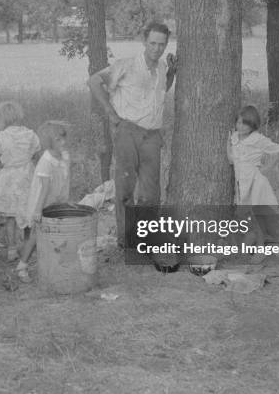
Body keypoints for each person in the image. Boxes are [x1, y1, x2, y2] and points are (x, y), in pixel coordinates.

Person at [88, 22, 177, 248]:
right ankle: (125, 240)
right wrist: (111, 113)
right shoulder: (125, 65)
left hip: (152, 136)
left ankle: (145, 240)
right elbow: (94, 81)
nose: (157, 49)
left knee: (151, 192)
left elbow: (161, 91)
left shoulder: (163, 68)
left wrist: (173, 73)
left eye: (162, 44)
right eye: (153, 43)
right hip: (128, 132)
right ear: (144, 41)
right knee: (125, 188)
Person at [15, 121, 71, 283]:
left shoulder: (64, 155)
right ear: (49, 143)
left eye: (63, 138)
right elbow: (44, 188)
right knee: (35, 235)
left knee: (56, 231)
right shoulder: (46, 161)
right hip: (42, 202)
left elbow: (65, 179)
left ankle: (54, 264)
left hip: (57, 200)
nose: (63, 142)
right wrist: (38, 211)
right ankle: (22, 266)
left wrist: (66, 201)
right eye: (58, 140)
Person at [227, 105, 279, 246]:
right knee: (243, 214)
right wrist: (228, 143)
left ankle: (261, 248)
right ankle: (251, 236)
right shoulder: (234, 137)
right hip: (241, 184)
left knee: (257, 216)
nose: (241, 126)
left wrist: (267, 169)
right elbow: (230, 160)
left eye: (245, 123)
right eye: (239, 122)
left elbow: (278, 150)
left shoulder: (257, 139)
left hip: (255, 182)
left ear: (253, 125)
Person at [0, 101, 40, 260]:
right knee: (27, 211)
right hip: (26, 175)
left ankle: (12, 248)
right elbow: (35, 155)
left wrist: (5, 163)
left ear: (3, 118)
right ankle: (27, 245)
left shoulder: (2, 137)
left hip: (9, 177)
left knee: (10, 215)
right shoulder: (30, 134)